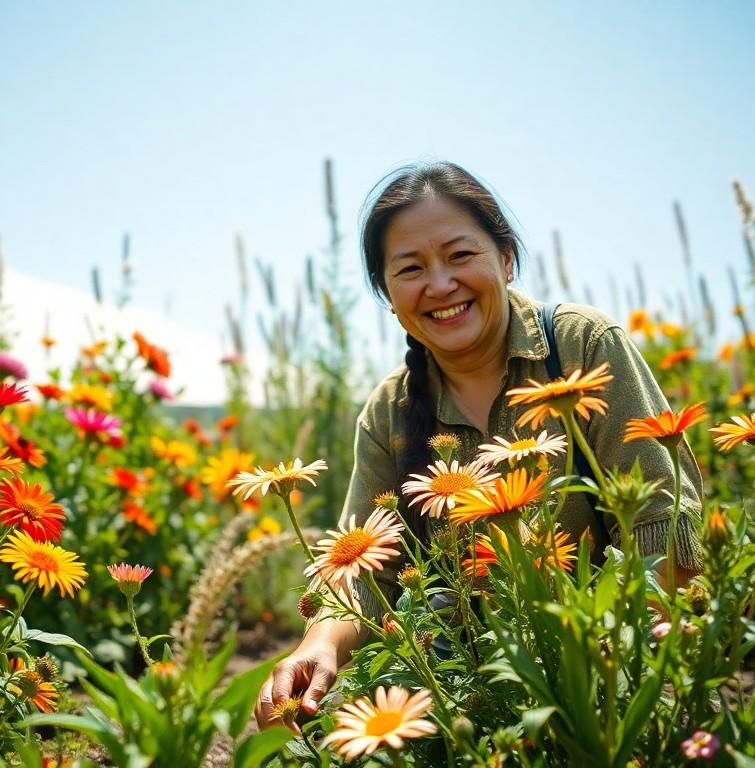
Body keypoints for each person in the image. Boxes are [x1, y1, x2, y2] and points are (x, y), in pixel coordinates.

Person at [254, 161, 704, 733]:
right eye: (410, 268)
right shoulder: (390, 412)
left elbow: (664, 530)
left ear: (507, 259)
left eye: (461, 255)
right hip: (466, 697)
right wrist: (318, 645)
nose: (440, 285)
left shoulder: (582, 348)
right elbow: (364, 569)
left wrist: (602, 653)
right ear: (388, 295)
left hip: (618, 677)